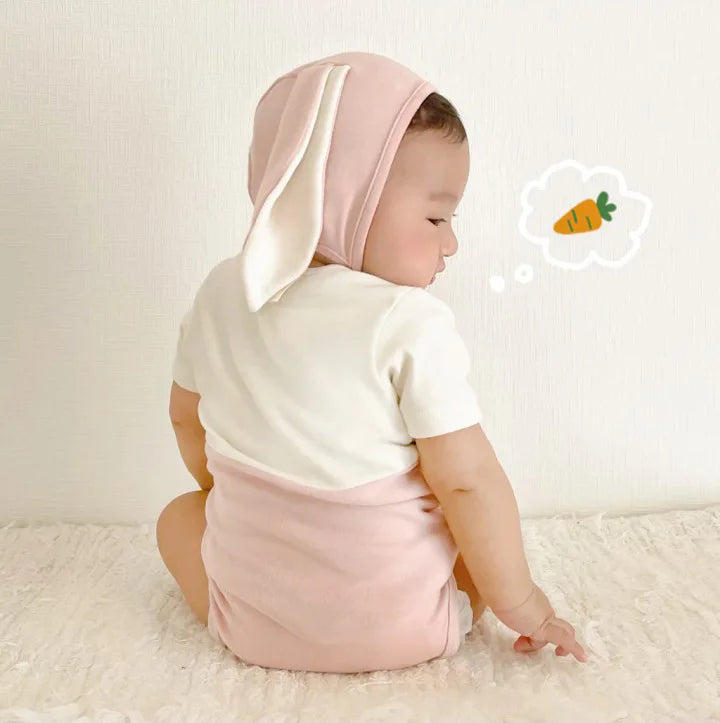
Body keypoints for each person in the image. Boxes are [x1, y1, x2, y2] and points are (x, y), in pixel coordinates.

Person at [157, 51, 587, 673]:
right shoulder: (409, 320)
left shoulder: (224, 291)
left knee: (180, 519)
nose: (451, 242)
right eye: (436, 217)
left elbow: (185, 419)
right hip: (412, 627)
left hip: (252, 629)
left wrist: (245, 507)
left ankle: (263, 600)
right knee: (457, 524)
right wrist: (521, 603)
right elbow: (467, 481)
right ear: (343, 200)